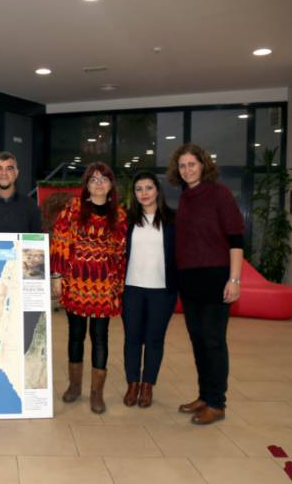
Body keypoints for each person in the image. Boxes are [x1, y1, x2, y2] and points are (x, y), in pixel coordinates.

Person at [167, 143, 243, 425]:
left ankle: (217, 403)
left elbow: (236, 239)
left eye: (192, 164)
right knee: (198, 340)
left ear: (203, 165)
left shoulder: (220, 194)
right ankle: (204, 396)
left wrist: (234, 279)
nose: (187, 170)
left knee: (213, 341)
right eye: (182, 165)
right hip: (189, 280)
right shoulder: (185, 197)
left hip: (215, 278)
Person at [50, 162, 127, 414]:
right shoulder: (72, 210)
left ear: (111, 184)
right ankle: (74, 386)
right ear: (86, 185)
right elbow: (60, 242)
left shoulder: (120, 215)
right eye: (93, 179)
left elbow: (121, 254)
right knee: (76, 335)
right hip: (75, 284)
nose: (99, 183)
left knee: (100, 338)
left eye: (103, 179)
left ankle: (96, 393)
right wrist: (57, 276)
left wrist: (118, 285)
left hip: (104, 288)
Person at [121, 171, 177, 409]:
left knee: (154, 339)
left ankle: (147, 386)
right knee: (132, 338)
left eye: (148, 188)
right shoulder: (126, 219)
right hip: (131, 289)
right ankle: (132, 384)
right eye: (139, 189)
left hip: (162, 291)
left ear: (157, 190)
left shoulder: (173, 219)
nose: (144, 193)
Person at [0, 151, 42, 233]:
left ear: (16, 173)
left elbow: (37, 239)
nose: (4, 173)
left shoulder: (31, 205)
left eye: (9, 169)